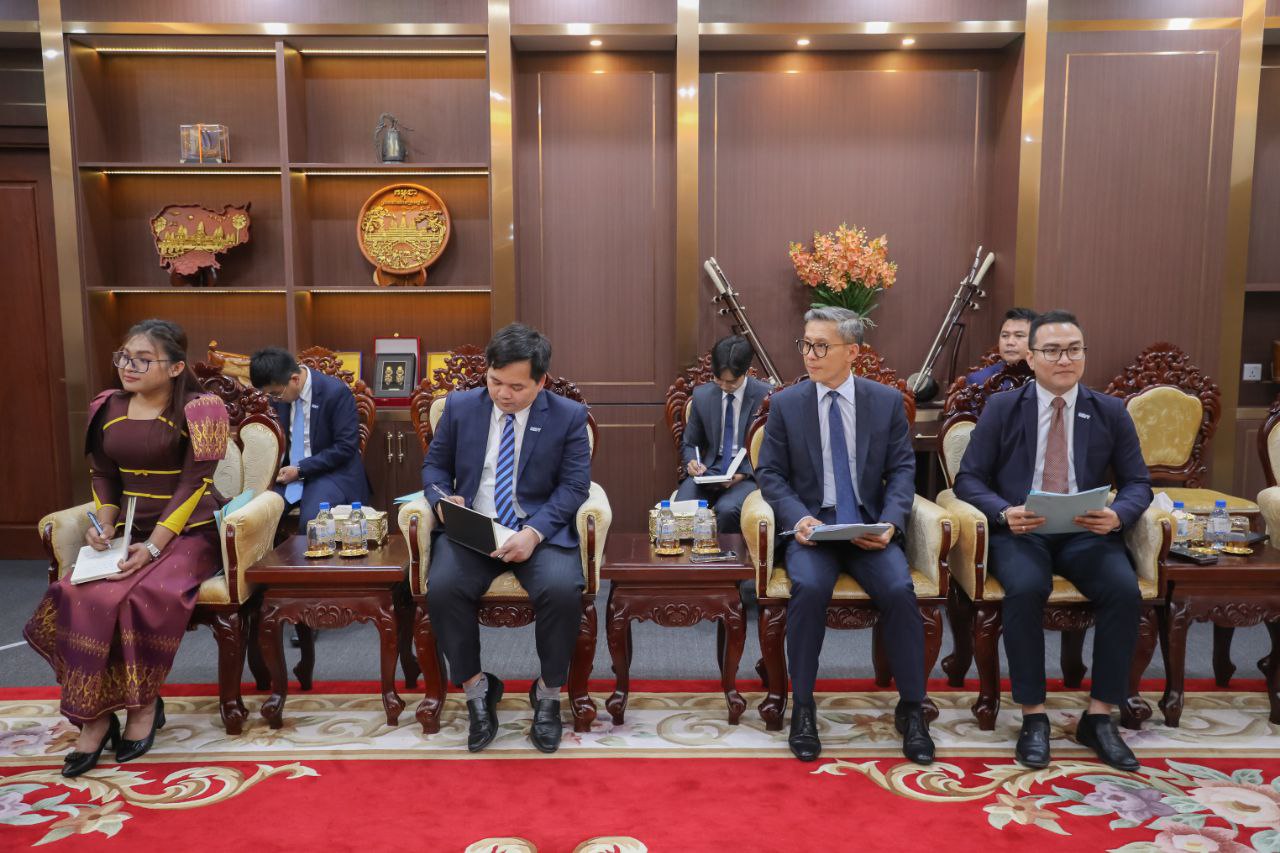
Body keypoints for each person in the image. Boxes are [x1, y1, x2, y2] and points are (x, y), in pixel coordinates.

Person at [24, 319, 230, 776]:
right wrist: (103, 524)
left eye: (143, 359)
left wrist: (154, 548)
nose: (129, 367)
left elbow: (196, 484)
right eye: (124, 357)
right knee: (75, 592)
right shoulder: (106, 406)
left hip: (190, 533)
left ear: (176, 367)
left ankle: (142, 704)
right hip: (129, 531)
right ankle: (94, 717)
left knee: (137, 595)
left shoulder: (205, 409)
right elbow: (103, 475)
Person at [953, 309, 1151, 772]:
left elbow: (1138, 483)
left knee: (1123, 591)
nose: (1065, 359)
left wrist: (1118, 516)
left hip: (1086, 532)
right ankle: (1034, 715)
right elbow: (968, 479)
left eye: (1074, 350)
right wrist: (1004, 512)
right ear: (1032, 357)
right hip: (1023, 532)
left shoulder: (1110, 411)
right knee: (1025, 588)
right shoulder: (1003, 408)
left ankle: (1099, 717)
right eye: (1053, 351)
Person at [756, 306, 934, 765]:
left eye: (822, 346)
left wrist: (890, 522)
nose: (809, 355)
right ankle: (804, 707)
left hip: (869, 528)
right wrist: (799, 518)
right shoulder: (787, 404)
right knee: (809, 588)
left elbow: (902, 471)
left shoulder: (886, 401)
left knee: (898, 589)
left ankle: (912, 708)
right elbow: (770, 474)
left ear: (853, 352)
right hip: (814, 530)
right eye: (806, 344)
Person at [422, 323, 591, 754]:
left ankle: (548, 695)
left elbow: (574, 487)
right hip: (473, 528)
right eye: (495, 381)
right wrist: (441, 500)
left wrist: (533, 533)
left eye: (517, 387)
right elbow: (434, 469)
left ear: (541, 381)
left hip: (536, 530)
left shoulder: (568, 416)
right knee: (442, 587)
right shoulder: (460, 407)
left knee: (562, 589)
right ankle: (478, 690)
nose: (503, 394)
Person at [250, 347, 369, 527]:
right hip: (288, 475)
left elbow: (345, 446)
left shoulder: (335, 393)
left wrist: (301, 469)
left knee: (312, 523)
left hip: (330, 473)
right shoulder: (281, 395)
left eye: (275, 394)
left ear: (295, 379)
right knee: (256, 517)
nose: (273, 400)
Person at [675, 335, 772, 533]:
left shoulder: (767, 397)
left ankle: (728, 553)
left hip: (746, 472)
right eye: (719, 379)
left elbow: (771, 447)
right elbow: (690, 443)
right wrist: (692, 462)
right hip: (709, 470)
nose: (725, 387)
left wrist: (744, 473)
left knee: (727, 510)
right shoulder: (702, 395)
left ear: (746, 371)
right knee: (682, 508)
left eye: (731, 382)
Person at [966, 307, 1037, 385]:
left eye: (1019, 335)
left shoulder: (1045, 376)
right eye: (1005, 335)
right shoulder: (979, 380)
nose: (1010, 342)